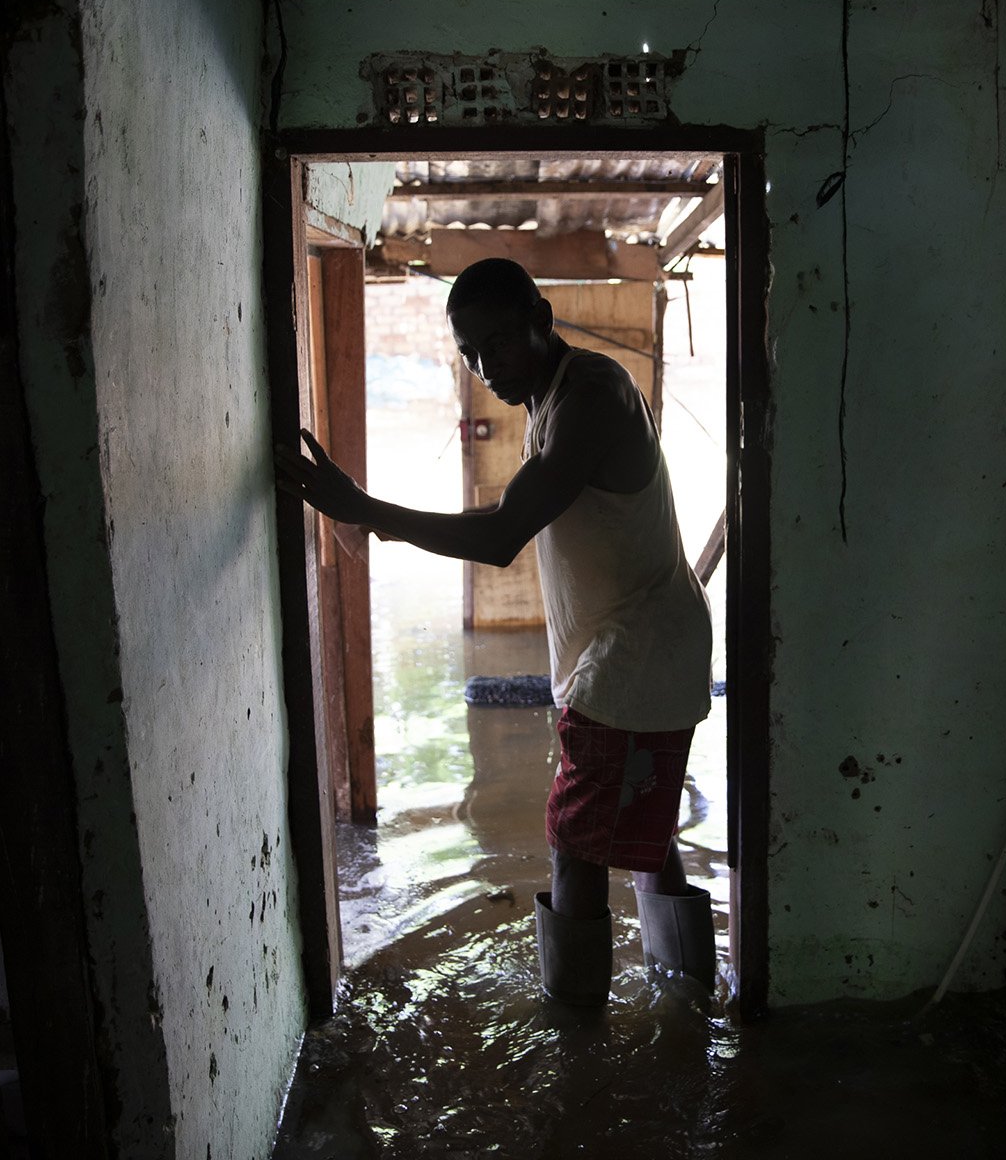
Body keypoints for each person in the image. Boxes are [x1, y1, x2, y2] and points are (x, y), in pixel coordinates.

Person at [275, 257, 715, 1006]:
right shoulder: (554, 397)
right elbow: (506, 517)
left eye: (500, 342)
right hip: (642, 655)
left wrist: (366, 511)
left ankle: (575, 1046)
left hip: (632, 661)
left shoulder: (592, 395)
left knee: (575, 847)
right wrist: (371, 517)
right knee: (645, 841)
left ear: (543, 319)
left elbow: (503, 534)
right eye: (470, 352)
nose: (487, 366)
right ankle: (691, 1013)